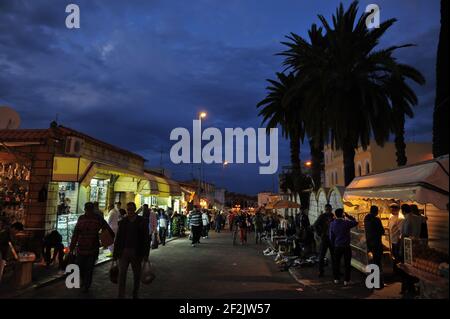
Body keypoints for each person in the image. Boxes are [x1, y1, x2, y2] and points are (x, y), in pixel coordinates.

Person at [69, 202, 113, 293]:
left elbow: (107, 229)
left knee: (88, 268)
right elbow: (76, 233)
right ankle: (84, 281)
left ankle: (86, 284)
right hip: (82, 247)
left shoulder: (97, 218)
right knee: (80, 267)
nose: (88, 211)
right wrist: (72, 246)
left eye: (89, 209)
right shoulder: (82, 218)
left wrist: (105, 237)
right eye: (87, 209)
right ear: (85, 210)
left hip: (92, 248)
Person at [113, 202, 150, 299]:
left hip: (136, 252)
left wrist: (146, 254)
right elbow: (118, 238)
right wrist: (115, 253)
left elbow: (146, 239)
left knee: (137, 275)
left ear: (135, 210)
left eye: (131, 209)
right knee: (122, 275)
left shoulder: (141, 221)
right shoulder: (123, 222)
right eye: (128, 209)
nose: (129, 211)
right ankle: (121, 294)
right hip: (124, 251)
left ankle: (135, 293)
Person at [329, 208, 358, 286]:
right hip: (346, 246)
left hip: (337, 246)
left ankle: (336, 279)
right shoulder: (346, 222)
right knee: (347, 264)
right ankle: (346, 280)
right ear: (343, 214)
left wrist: (333, 245)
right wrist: (349, 216)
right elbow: (355, 222)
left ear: (335, 215)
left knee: (336, 263)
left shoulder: (332, 224)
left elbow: (331, 237)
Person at [400, 204, 421, 297]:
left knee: (407, 268)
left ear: (403, 211)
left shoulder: (406, 220)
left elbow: (404, 235)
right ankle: (415, 286)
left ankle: (409, 288)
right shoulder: (418, 218)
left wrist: (401, 248)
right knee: (415, 266)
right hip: (417, 245)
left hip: (408, 246)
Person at [364, 205, 385, 288]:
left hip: (369, 243)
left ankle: (372, 281)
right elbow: (382, 231)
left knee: (371, 262)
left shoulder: (366, 219)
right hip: (377, 243)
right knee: (378, 263)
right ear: (376, 211)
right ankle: (378, 283)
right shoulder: (376, 220)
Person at [313, 204, 335, 277]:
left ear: (331, 209)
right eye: (327, 210)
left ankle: (336, 271)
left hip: (332, 238)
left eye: (329, 209)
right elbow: (315, 225)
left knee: (334, 255)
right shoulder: (322, 216)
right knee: (322, 255)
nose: (328, 211)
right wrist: (320, 233)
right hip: (325, 238)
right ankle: (321, 271)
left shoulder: (333, 216)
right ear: (325, 210)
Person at [388, 203, 404, 269]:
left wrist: (399, 240)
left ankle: (398, 268)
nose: (391, 210)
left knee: (397, 255)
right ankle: (395, 267)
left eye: (392, 209)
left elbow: (401, 231)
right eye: (390, 209)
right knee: (394, 254)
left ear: (396, 209)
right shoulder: (391, 217)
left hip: (397, 240)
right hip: (392, 238)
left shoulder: (400, 218)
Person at [0, 218, 10, 284]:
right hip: (3, 253)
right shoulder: (4, 232)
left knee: (1, 269)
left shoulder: (5, 233)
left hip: (2, 253)